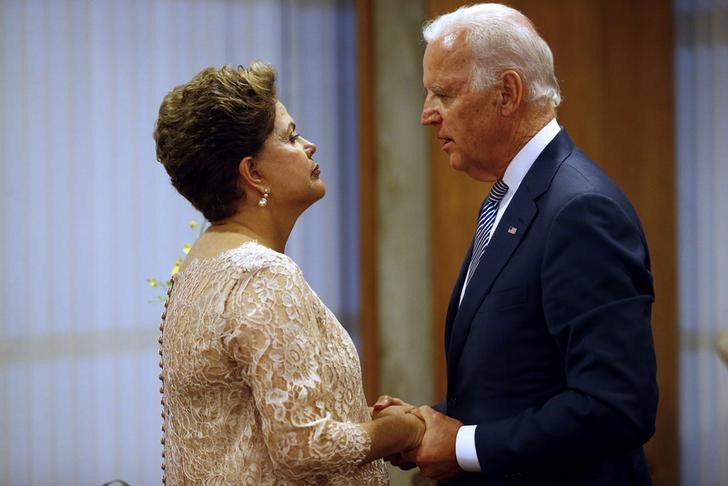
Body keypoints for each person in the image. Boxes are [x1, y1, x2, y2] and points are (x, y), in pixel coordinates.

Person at [375, 3, 658, 485]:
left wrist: (463, 445)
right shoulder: (511, 196)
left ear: (506, 93)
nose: (426, 115)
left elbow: (616, 406)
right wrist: (426, 427)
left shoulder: (580, 210)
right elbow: (523, 384)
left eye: (443, 93)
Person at [153, 62, 424, 485]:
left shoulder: (202, 262)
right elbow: (304, 447)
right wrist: (400, 431)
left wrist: (356, 419)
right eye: (291, 136)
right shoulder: (262, 275)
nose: (310, 146)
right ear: (253, 173)